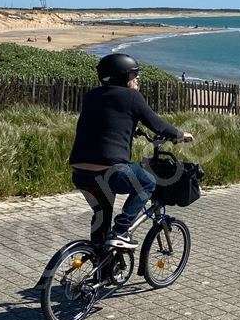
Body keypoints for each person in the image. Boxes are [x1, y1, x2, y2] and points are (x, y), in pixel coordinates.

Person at [69, 53, 193, 250]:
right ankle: (121, 231)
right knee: (147, 182)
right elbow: (157, 124)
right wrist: (179, 134)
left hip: (81, 172)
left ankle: (101, 265)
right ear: (123, 77)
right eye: (134, 76)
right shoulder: (132, 97)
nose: (137, 80)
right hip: (112, 170)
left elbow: (106, 120)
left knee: (102, 214)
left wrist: (130, 129)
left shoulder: (91, 96)